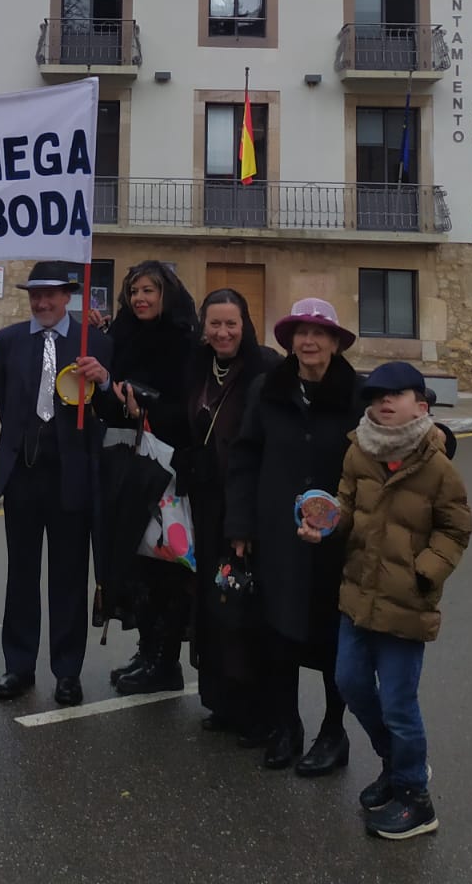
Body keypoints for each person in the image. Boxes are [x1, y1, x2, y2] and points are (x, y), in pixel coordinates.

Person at [300, 361, 472, 840]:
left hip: (406, 603)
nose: (383, 402)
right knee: (351, 683)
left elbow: (456, 529)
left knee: (398, 703)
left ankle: (417, 800)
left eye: (395, 394)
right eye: (376, 395)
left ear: (420, 405)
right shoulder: (359, 453)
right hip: (357, 596)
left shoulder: (437, 466)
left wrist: (425, 574)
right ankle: (397, 765)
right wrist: (324, 526)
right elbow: (346, 509)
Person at [225, 297, 365, 774]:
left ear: (334, 342)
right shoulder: (268, 389)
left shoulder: (357, 395)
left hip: (336, 541)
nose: (309, 341)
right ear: (289, 342)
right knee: (277, 634)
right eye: (300, 333)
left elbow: (400, 430)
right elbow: (245, 458)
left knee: (331, 641)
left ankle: (332, 732)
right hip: (278, 535)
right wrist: (240, 525)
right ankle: (286, 726)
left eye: (319, 333)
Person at [0, 261, 103, 707]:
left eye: (51, 295)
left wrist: (102, 380)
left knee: (69, 576)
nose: (43, 303)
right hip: (23, 475)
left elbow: (113, 407)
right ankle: (19, 665)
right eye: (36, 295)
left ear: (68, 297)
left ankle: (67, 671)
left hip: (70, 477)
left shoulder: (92, 341)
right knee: (22, 574)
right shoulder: (10, 341)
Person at [79, 259, 200, 696]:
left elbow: (185, 408)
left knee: (164, 563)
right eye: (134, 291)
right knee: (136, 564)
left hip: (164, 465)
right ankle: (147, 649)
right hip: (125, 461)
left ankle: (164, 661)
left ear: (166, 294)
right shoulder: (122, 335)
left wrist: (141, 406)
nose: (141, 298)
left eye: (149, 290)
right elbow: (109, 401)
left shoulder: (184, 342)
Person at [186, 289, 280, 740]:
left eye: (231, 324)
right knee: (213, 603)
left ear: (245, 325)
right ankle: (221, 701)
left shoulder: (266, 367)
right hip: (205, 505)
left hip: (247, 509)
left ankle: (257, 711)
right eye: (215, 324)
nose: (223, 333)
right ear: (203, 327)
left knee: (244, 608)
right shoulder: (197, 366)